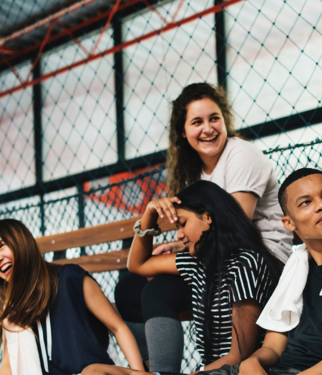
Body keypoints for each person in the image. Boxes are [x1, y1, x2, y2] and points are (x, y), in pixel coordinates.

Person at [114, 82, 293, 372]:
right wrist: (163, 232)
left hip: (260, 260)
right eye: (197, 122)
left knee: (154, 290)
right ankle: (157, 369)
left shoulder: (241, 155)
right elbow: (142, 261)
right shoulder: (195, 172)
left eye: (214, 118)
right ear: (183, 132)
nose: (208, 128)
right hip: (215, 257)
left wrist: (178, 246)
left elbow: (233, 226)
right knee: (130, 290)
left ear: (225, 121)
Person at [198, 168, 322, 375]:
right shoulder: (296, 270)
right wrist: (253, 362)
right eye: (306, 202)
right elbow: (273, 348)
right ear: (289, 223)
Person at [87, 180, 283, 375]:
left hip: (235, 371)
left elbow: (240, 355)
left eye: (183, 224)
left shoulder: (245, 264)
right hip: (209, 372)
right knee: (94, 371)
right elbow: (138, 265)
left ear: (207, 216)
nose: (179, 235)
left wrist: (196, 373)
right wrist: (149, 215)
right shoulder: (197, 262)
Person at [0, 219, 145, 375]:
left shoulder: (70, 278)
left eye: (1, 246)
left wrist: (139, 373)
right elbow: (8, 364)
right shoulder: (10, 306)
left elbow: (118, 327)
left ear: (21, 244)